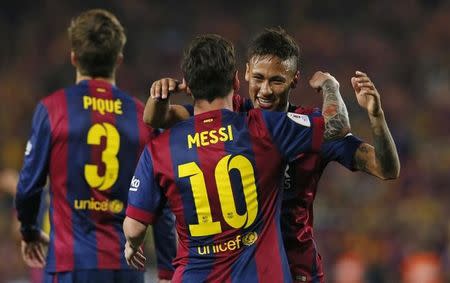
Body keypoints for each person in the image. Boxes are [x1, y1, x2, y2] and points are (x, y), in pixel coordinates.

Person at [144, 27, 400, 282]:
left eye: (276, 80)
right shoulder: (231, 118)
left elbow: (386, 169)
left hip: (296, 268)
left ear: (294, 80)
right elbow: (158, 119)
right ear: (244, 74)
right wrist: (159, 95)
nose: (265, 90)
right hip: (243, 270)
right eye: (258, 78)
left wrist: (376, 118)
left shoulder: (311, 128)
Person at [15, 9, 175, 283]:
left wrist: (29, 230)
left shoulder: (53, 109)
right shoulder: (142, 117)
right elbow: (161, 201)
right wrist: (166, 269)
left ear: (74, 58)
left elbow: (29, 187)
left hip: (71, 265)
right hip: (127, 267)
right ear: (119, 60)